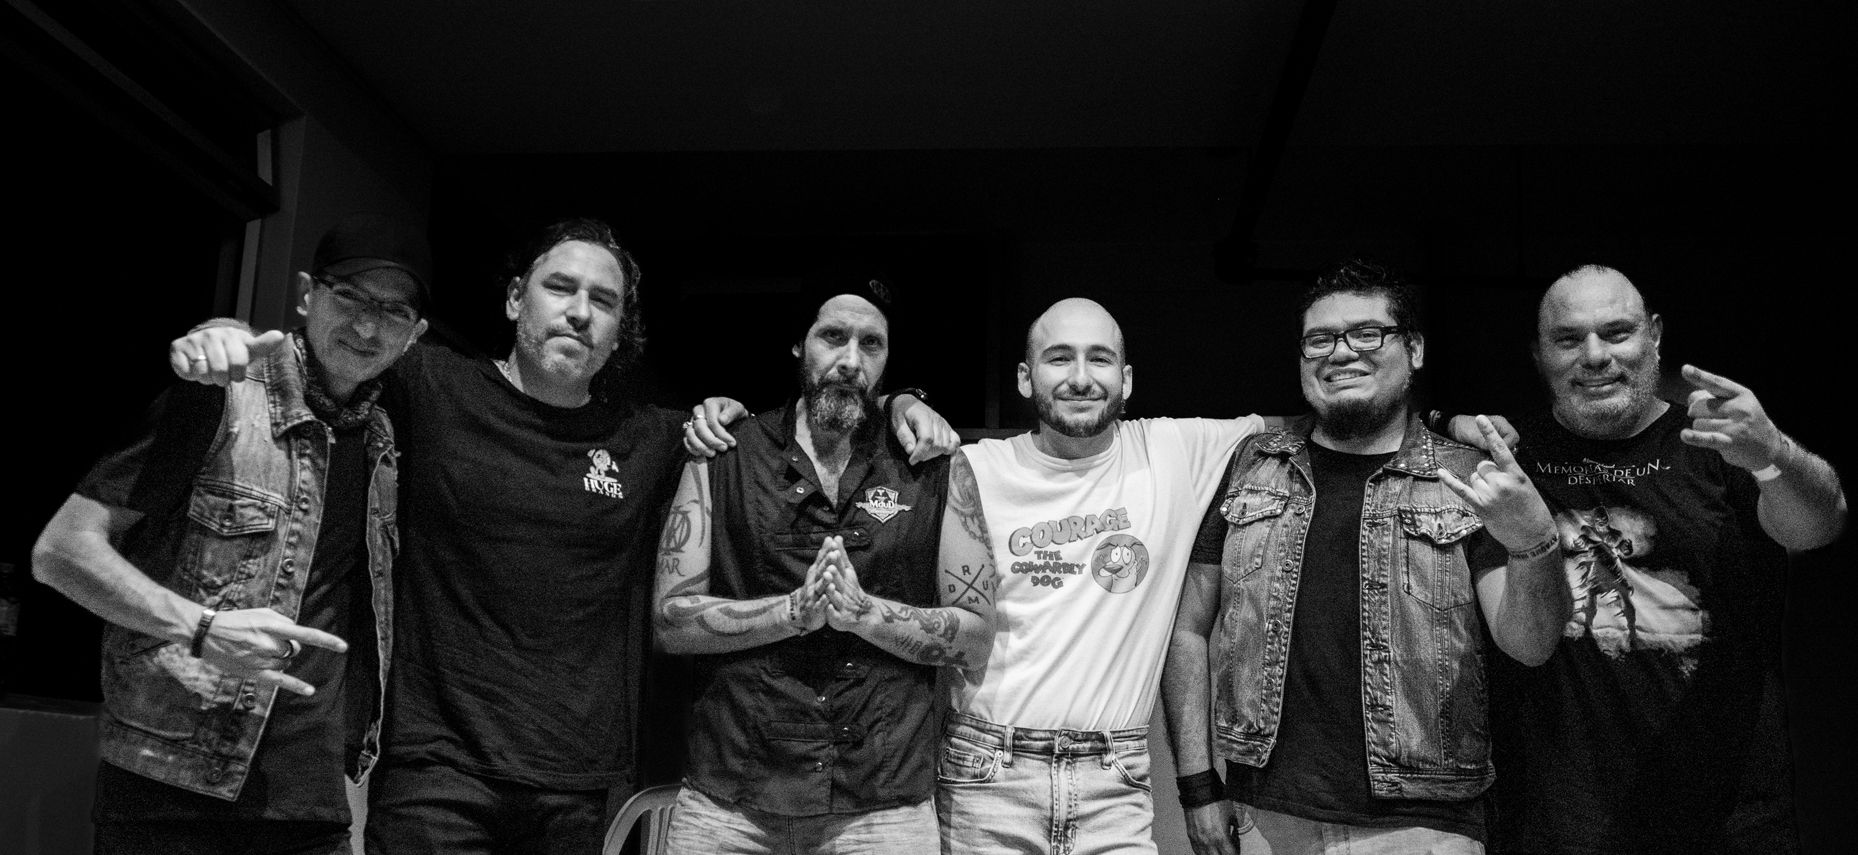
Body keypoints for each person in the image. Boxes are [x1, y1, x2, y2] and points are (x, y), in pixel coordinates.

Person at [170, 219, 956, 853]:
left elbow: (791, 420)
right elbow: (330, 359)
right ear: (517, 298)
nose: (580, 310)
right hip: (435, 770)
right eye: (560, 287)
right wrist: (225, 333)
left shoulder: (651, 438)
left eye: (603, 300)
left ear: (619, 331)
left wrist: (901, 400)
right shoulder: (430, 385)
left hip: (577, 784)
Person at [32, 213, 431, 854]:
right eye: (350, 297)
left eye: (392, 311)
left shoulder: (389, 439)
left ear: (415, 335)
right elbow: (60, 550)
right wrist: (202, 626)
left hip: (313, 804)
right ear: (307, 295)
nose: (365, 326)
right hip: (173, 790)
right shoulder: (217, 393)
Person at [1161, 259, 1571, 855]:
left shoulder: (1466, 476)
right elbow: (1189, 629)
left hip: (1424, 824)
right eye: (1320, 339)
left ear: (1415, 349)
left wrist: (1533, 541)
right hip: (1265, 816)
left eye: (1367, 334)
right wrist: (1198, 786)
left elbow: (1530, 644)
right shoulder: (1252, 466)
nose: (1341, 352)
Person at [1488, 265, 1846, 855]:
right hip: (1565, 824)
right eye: (1569, 339)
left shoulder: (1721, 442)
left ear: (1653, 334)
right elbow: (1523, 642)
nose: (1595, 356)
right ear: (1539, 354)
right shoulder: (1512, 464)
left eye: (1617, 332)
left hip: (1730, 820)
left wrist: (1773, 454)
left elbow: (1820, 526)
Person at [652, 278, 997, 852]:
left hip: (883, 804)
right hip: (729, 801)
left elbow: (977, 637)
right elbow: (670, 620)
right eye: (833, 337)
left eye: (871, 344)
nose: (850, 360)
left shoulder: (934, 466)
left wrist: (865, 616)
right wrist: (790, 612)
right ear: (799, 345)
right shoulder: (724, 455)